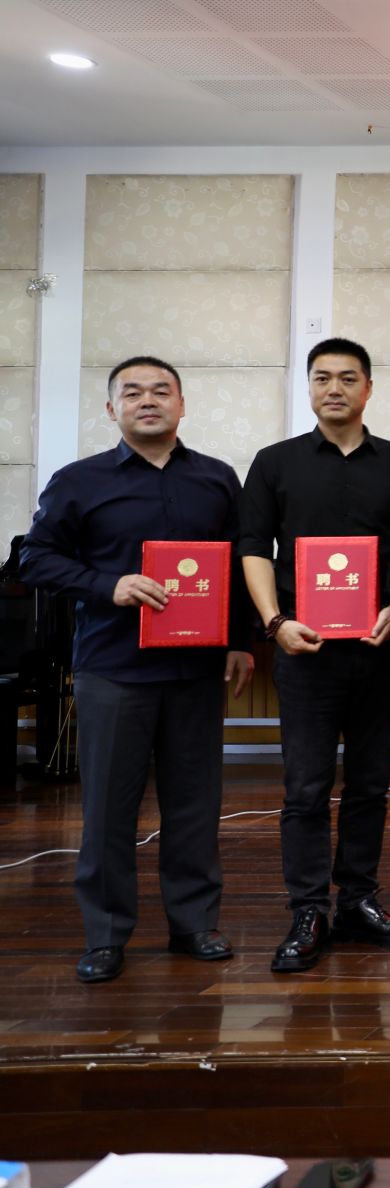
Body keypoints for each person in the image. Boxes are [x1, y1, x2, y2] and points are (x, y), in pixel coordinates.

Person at [21, 357, 255, 983]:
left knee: (195, 805)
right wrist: (109, 584)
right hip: (114, 669)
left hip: (197, 669)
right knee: (107, 810)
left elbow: (239, 562)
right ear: (112, 409)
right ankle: (105, 935)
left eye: (160, 391)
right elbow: (35, 560)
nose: (147, 401)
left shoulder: (216, 479)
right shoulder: (79, 481)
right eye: (132, 393)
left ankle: (194, 924)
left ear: (182, 404)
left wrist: (240, 640)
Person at [239, 338, 390, 973]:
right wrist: (275, 622)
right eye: (322, 378)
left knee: (371, 784)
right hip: (304, 648)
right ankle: (308, 909)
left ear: (368, 388)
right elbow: (253, 547)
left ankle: (358, 902)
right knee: (306, 787)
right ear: (309, 388)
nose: (335, 389)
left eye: (348, 378)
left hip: (379, 649)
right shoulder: (275, 462)